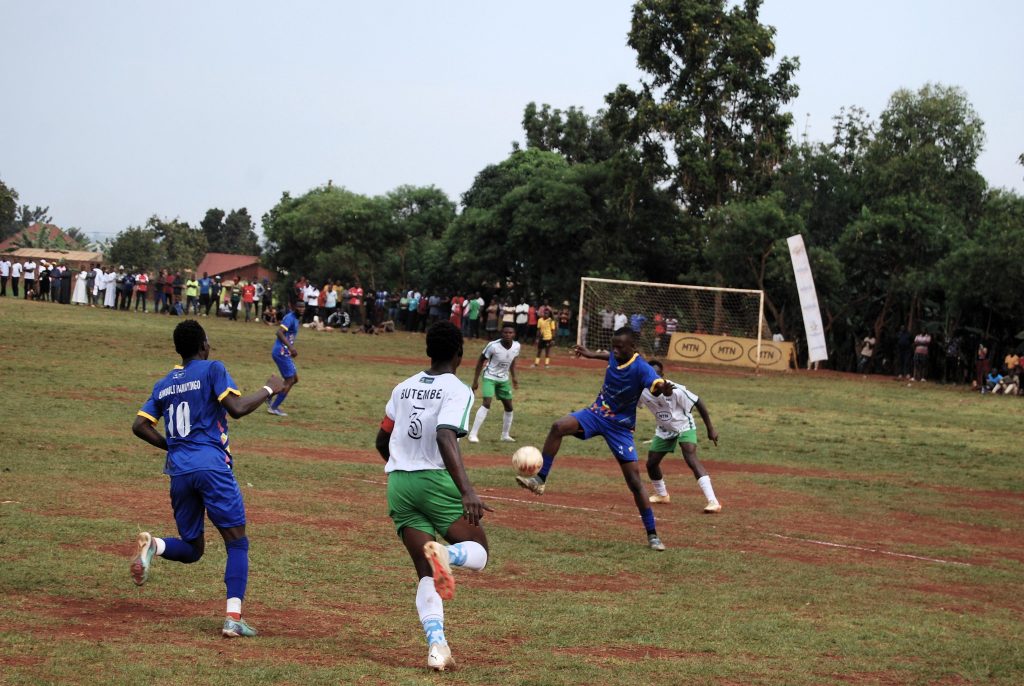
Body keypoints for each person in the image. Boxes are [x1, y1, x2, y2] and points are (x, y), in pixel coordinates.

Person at [130, 319, 285, 638]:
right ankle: (233, 618)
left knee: (193, 548)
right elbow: (236, 408)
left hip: (179, 472)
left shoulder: (164, 384)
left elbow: (140, 425)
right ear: (203, 345)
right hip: (212, 467)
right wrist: (270, 388)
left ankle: (154, 546)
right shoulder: (213, 369)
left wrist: (173, 446)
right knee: (237, 543)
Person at [374, 321, 492, 671]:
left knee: (426, 572)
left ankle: (437, 647)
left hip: (399, 484)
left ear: (428, 350)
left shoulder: (403, 387)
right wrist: (467, 491)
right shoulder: (457, 389)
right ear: (459, 354)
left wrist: (404, 465)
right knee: (479, 552)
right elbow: (444, 435)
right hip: (434, 481)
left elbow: (382, 440)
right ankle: (448, 553)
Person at [516, 327, 673, 551]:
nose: (615, 351)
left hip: (620, 427)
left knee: (634, 482)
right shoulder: (616, 354)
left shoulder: (642, 368)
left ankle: (653, 535)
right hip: (596, 414)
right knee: (558, 427)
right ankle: (540, 480)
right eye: (613, 346)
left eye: (620, 347)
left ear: (632, 347)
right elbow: (608, 356)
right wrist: (590, 354)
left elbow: (656, 386)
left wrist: (664, 389)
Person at [640, 360, 721, 513]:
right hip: (664, 429)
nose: (655, 378)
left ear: (662, 375)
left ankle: (713, 501)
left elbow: (698, 402)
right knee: (651, 463)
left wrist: (710, 429)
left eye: (658, 375)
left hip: (684, 426)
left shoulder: (676, 389)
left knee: (690, 458)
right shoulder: (641, 390)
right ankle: (662, 495)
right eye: (651, 374)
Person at [468, 323, 520, 443]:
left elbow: (512, 361)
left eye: (510, 333)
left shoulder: (517, 346)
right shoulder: (493, 346)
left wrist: (514, 377)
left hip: (504, 379)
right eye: (505, 332)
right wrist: (475, 380)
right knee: (487, 402)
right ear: (502, 333)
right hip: (489, 377)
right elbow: (480, 360)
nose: (508, 335)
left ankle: (505, 435)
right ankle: (473, 434)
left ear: (514, 334)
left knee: (509, 406)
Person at [268, 301, 305, 416]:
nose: (302, 309)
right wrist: (291, 347)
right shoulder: (290, 318)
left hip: (285, 352)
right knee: (290, 380)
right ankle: (273, 407)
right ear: (294, 307)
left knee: (295, 379)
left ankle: (268, 395)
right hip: (281, 352)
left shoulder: (296, 318)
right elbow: (279, 332)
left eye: (303, 307)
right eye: (299, 307)